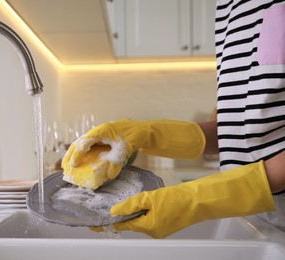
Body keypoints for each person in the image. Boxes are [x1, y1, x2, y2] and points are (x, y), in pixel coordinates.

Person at [61, 0, 285, 238]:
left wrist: (195, 199)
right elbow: (244, 128)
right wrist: (151, 133)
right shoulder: (227, 7)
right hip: (254, 225)